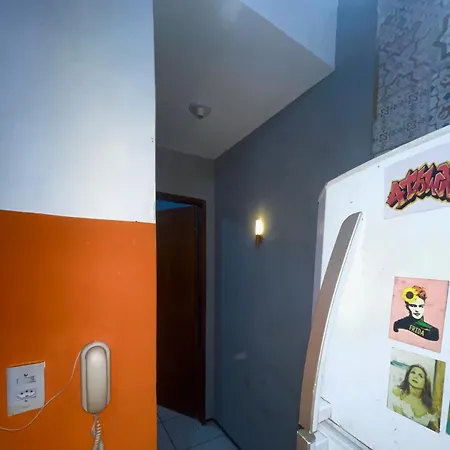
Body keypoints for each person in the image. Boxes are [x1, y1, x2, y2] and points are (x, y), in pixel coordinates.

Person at [391, 364, 438, 431]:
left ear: (425, 383)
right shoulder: (397, 393)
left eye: (420, 375)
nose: (415, 376)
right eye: (413, 372)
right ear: (408, 376)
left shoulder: (430, 407)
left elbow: (435, 429)